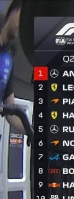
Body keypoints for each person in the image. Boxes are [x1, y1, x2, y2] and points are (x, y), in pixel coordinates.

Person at [0, 1, 26, 134]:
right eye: (22, 17)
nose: (22, 25)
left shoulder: (8, 61)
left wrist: (34, 131)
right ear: (14, 12)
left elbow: (11, 113)